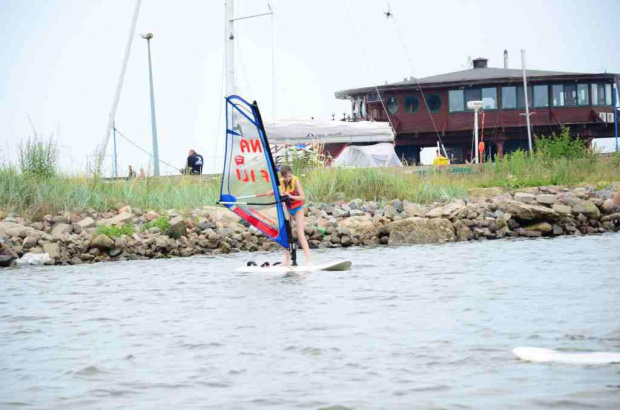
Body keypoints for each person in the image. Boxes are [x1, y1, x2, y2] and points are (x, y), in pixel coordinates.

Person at [278, 164, 312, 266]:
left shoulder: (295, 181)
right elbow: (278, 193)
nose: (288, 178)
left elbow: (302, 197)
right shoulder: (281, 182)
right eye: (285, 177)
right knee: (287, 234)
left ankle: (308, 260)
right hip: (288, 209)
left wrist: (290, 195)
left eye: (289, 176)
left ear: (291, 174)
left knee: (299, 232)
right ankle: (287, 260)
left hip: (298, 209)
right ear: (283, 176)